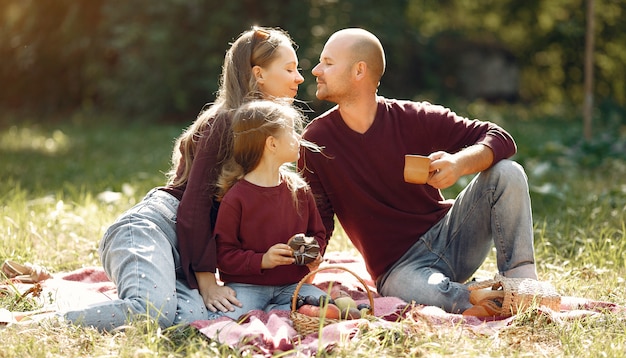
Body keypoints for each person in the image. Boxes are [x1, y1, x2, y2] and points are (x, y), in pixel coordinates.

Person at [63, 26, 305, 331]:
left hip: (183, 260)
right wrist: (207, 281)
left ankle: (71, 304)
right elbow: (194, 207)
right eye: (289, 69)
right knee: (150, 312)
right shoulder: (226, 122)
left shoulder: (267, 137)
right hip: (153, 230)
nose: (299, 78)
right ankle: (38, 323)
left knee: (189, 323)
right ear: (259, 74)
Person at [298, 28, 537, 314]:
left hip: (452, 236)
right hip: (400, 269)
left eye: (327, 62)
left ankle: (522, 284)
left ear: (358, 70)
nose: (315, 70)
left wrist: (458, 164)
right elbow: (320, 220)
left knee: (507, 172)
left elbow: (499, 137)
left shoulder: (414, 117)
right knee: (408, 291)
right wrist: (303, 269)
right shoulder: (315, 141)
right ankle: (479, 298)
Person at [212, 100, 326, 320]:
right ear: (272, 144)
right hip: (247, 286)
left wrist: (311, 254)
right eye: (292, 132)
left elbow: (317, 234)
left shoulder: (300, 191)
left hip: (293, 285)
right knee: (226, 318)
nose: (298, 137)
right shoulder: (236, 198)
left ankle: (276, 312)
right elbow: (223, 254)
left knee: (326, 306)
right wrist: (262, 260)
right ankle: (275, 312)